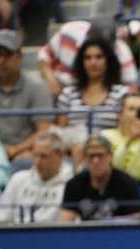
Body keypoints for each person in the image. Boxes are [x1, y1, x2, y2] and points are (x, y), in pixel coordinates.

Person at [56, 36, 130, 169]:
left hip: (110, 155)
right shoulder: (68, 93)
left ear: (108, 60)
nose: (93, 62)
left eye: (99, 57)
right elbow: (61, 133)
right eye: (87, 58)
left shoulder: (122, 94)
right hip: (73, 155)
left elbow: (125, 132)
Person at [0, 29, 54, 163]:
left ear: (19, 57)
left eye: (8, 54)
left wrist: (14, 150)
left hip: (23, 152)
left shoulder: (37, 88)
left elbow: (44, 130)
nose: (2, 60)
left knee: (25, 160)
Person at [37, 20, 137, 100]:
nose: (93, 62)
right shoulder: (68, 32)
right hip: (61, 87)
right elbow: (43, 57)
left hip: (104, 96)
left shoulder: (123, 53)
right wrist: (51, 79)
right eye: (88, 57)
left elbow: (132, 89)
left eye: (100, 55)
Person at [0, 131, 73, 223]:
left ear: (61, 156)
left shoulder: (71, 185)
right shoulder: (18, 179)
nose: (37, 162)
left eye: (44, 156)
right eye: (35, 155)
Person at [59, 135, 140, 221]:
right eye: (91, 156)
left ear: (110, 156)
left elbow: (137, 221)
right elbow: (65, 223)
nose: (95, 161)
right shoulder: (73, 185)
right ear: (84, 158)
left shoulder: (128, 184)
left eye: (100, 155)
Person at [101, 92, 140, 182]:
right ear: (120, 115)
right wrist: (129, 141)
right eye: (131, 109)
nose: (136, 114)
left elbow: (134, 176)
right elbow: (111, 172)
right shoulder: (105, 137)